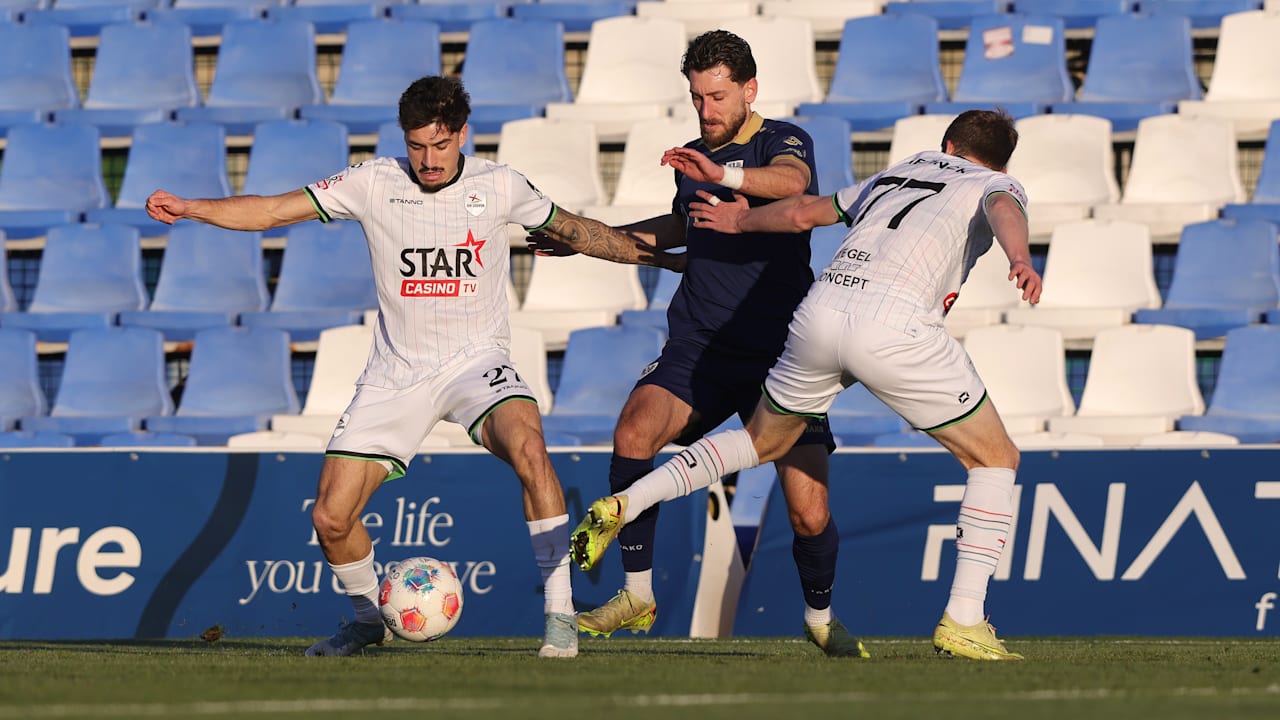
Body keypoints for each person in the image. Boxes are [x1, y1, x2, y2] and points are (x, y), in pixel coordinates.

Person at [145, 76, 684, 659]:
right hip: (396, 374)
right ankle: (366, 620)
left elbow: (581, 232)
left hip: (477, 364)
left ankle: (560, 616)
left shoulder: (499, 186)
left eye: (441, 145)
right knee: (330, 517)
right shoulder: (372, 182)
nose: (428, 160)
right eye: (417, 146)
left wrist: (679, 262)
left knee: (531, 449)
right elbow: (274, 211)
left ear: (461, 135)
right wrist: (193, 207)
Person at [570, 109, 1043, 661]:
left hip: (819, 311)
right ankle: (964, 617)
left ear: (947, 143)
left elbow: (802, 213)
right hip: (893, 324)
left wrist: (741, 222)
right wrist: (1020, 256)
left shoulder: (898, 172)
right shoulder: (994, 183)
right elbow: (1003, 207)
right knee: (995, 459)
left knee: (761, 440)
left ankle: (629, 500)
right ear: (998, 160)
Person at [528, 29, 857, 657]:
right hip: (701, 344)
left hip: (781, 354)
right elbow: (677, 231)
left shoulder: (781, 140)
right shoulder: (692, 156)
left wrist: (723, 170)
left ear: (749, 89)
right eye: (696, 98)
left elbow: (793, 185)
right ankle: (638, 592)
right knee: (632, 433)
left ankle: (820, 618)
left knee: (809, 513)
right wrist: (587, 237)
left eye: (718, 96)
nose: (706, 111)